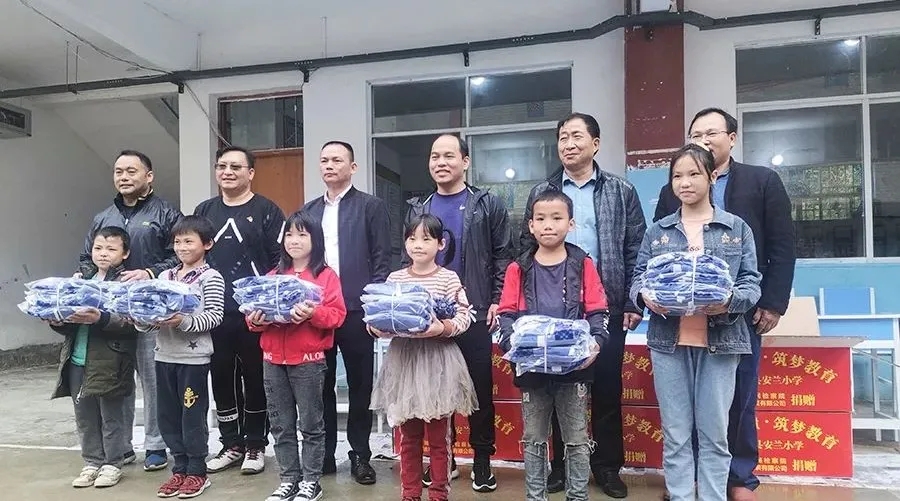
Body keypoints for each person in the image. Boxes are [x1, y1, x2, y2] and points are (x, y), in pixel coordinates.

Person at [653, 109, 795, 501]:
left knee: (737, 400)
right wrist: (650, 295)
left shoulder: (761, 182)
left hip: (738, 315)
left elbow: (782, 246)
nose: (703, 139)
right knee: (681, 416)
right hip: (676, 325)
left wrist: (771, 303)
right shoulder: (670, 195)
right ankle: (688, 484)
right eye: (695, 134)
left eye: (711, 132)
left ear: (731, 137)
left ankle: (738, 478)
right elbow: (655, 259)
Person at [521, 112, 646, 497]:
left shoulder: (620, 191)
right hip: (552, 312)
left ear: (595, 143)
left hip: (604, 307)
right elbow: (526, 249)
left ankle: (606, 467)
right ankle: (560, 467)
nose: (569, 144)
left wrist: (632, 301)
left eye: (576, 136)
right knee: (557, 389)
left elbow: (635, 248)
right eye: (563, 137)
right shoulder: (542, 191)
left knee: (606, 388)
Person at [634, 144, 762, 501]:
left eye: (693, 174)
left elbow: (752, 283)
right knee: (676, 433)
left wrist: (728, 302)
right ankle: (680, 496)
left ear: (712, 176)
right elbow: (639, 277)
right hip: (669, 343)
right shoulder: (658, 232)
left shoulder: (735, 229)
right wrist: (645, 297)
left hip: (721, 343)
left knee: (714, 434)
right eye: (677, 176)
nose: (685, 183)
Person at [402, 134, 512, 492]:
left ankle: (481, 460)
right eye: (435, 156)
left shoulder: (486, 204)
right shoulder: (418, 208)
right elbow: (407, 260)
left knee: (478, 391)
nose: (441, 162)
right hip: (429, 318)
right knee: (436, 389)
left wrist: (497, 299)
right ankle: (443, 461)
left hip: (474, 312)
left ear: (465, 161)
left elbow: (503, 254)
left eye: (449, 156)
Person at [498, 191, 610, 501]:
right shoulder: (518, 268)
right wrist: (511, 344)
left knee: (576, 438)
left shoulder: (582, 263)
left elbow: (598, 310)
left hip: (574, 370)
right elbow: (506, 314)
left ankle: (578, 496)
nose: (549, 225)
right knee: (534, 438)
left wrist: (596, 344)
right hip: (532, 370)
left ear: (571, 224)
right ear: (531, 226)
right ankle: (535, 496)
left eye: (557, 218)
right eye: (541, 219)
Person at [79, 149, 181, 472]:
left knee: (153, 381)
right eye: (118, 171)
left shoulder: (166, 213)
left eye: (131, 171)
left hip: (149, 314)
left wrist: (149, 273)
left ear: (148, 176)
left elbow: (179, 256)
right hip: (111, 317)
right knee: (117, 381)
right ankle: (120, 448)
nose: (124, 177)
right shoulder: (103, 217)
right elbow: (85, 258)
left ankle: (155, 444)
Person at [368, 213, 478, 501]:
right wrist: (375, 327)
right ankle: (410, 494)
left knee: (440, 438)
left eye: (426, 239)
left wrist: (443, 327)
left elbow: (465, 315)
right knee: (408, 436)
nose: (418, 245)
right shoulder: (395, 278)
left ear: (441, 244)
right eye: (412, 238)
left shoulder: (448, 278)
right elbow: (380, 312)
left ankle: (439, 493)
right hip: (404, 363)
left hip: (438, 363)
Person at [303, 140, 391, 484]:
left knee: (359, 385)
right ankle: (324, 454)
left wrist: (375, 307)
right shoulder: (309, 211)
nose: (329, 165)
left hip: (357, 309)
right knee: (319, 384)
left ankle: (360, 455)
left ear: (353, 167)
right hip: (318, 310)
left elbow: (382, 257)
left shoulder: (371, 206)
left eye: (337, 160)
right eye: (324, 160)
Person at [195, 146, 286, 475]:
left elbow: (280, 261)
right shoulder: (204, 211)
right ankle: (231, 444)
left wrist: (267, 305)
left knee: (255, 380)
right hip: (214, 314)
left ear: (251, 173)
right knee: (221, 380)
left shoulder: (267, 210)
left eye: (236, 166)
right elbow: (193, 256)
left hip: (254, 316)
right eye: (222, 166)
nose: (228, 172)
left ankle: (256, 445)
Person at [248, 210, 347, 501]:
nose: (294, 240)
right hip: (272, 360)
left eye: (302, 234)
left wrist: (313, 313)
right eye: (289, 234)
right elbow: (252, 317)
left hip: (308, 361)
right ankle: (289, 479)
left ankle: (311, 481)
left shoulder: (326, 276)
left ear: (316, 240)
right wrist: (256, 319)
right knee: (281, 425)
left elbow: (337, 315)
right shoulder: (272, 276)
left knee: (311, 425)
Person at [140, 215, 226, 498]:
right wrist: (141, 319)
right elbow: (153, 315)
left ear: (207, 244)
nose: (182, 247)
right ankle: (179, 468)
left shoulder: (210, 277)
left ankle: (197, 471)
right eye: (177, 242)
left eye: (189, 241)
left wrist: (183, 321)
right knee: (168, 416)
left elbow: (214, 316)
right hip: (164, 356)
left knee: (192, 415)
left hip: (193, 360)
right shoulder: (165, 277)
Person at [51, 226, 137, 489]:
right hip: (77, 359)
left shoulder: (127, 283)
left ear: (125, 253)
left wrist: (102, 318)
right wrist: (56, 318)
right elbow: (68, 322)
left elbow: (132, 323)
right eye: (98, 248)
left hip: (111, 361)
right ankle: (92, 462)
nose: (103, 254)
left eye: (111, 249)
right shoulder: (80, 281)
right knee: (85, 416)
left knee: (112, 416)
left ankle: (113, 463)